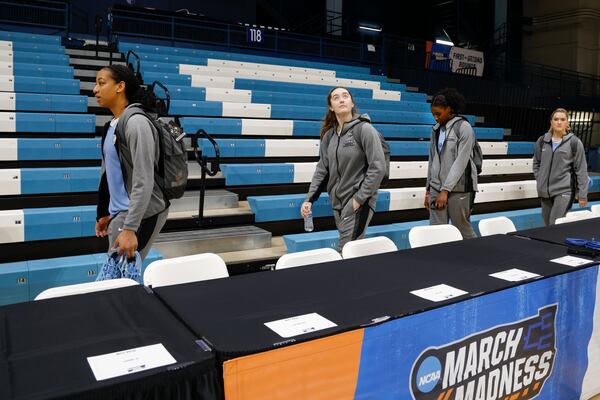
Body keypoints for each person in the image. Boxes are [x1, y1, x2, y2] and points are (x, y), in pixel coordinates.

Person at [94, 65, 169, 260]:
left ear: (120, 86)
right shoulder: (111, 125)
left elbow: (144, 179)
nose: (95, 89)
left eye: (101, 83)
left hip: (139, 214)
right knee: (118, 279)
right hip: (119, 214)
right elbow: (109, 173)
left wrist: (130, 227)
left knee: (119, 280)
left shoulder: (136, 123)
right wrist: (104, 212)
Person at [301, 87, 386, 251]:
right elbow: (322, 170)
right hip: (337, 203)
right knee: (353, 248)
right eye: (336, 97)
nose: (341, 99)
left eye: (345, 96)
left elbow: (378, 167)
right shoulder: (329, 136)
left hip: (358, 201)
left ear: (352, 103)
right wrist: (309, 199)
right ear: (331, 107)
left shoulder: (364, 129)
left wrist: (358, 199)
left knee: (345, 249)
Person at [425, 88, 477, 239]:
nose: (435, 118)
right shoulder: (435, 130)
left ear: (449, 109)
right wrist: (428, 190)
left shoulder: (464, 127)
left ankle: (476, 258)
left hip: (459, 189)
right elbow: (432, 160)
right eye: (433, 114)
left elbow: (461, 162)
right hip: (436, 187)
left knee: (462, 230)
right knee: (437, 233)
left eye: (438, 114)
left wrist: (445, 190)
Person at [533, 108, 588, 225]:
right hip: (545, 191)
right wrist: (540, 179)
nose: (559, 122)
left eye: (562, 119)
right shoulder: (542, 141)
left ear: (567, 123)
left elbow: (581, 170)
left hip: (564, 191)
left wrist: (582, 194)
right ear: (551, 122)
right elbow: (536, 163)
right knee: (547, 225)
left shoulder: (574, 143)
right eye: (556, 119)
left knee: (555, 223)